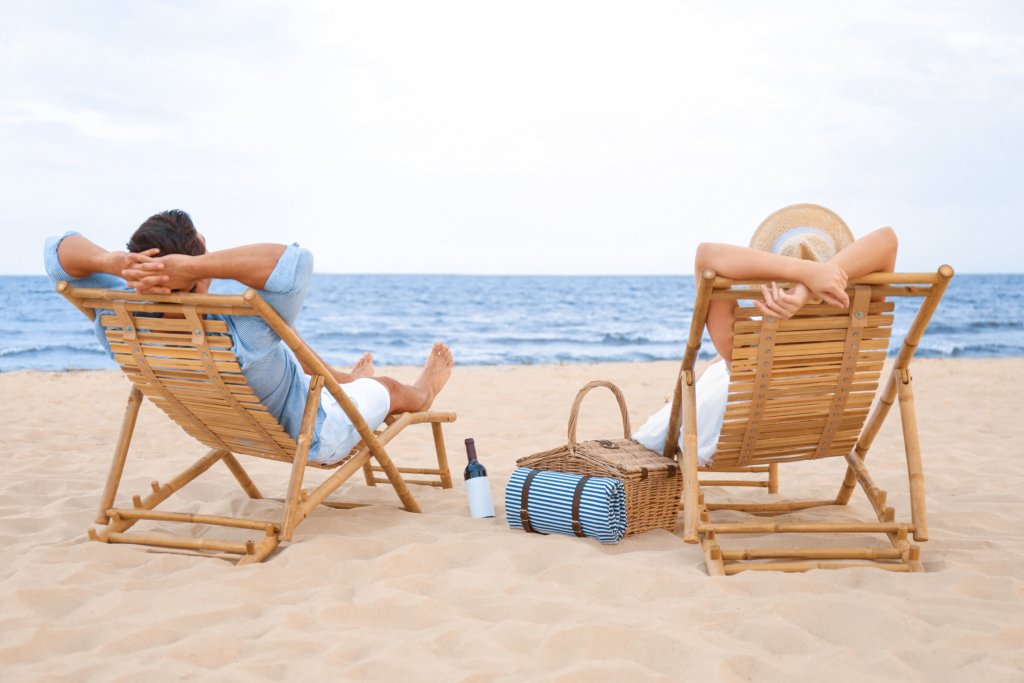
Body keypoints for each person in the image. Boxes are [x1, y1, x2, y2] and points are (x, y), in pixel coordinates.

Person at [44, 209, 454, 465]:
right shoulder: (239, 332)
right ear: (196, 260)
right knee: (387, 386)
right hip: (315, 436)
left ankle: (345, 381)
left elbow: (55, 252)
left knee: (281, 335)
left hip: (219, 426)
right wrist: (197, 263)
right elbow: (295, 263)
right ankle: (419, 391)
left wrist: (112, 263)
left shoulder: (116, 317)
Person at [633, 205, 898, 465]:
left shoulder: (745, 350)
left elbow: (706, 255)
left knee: (715, 372)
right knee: (714, 370)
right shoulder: (860, 326)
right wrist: (813, 283)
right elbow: (887, 239)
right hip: (826, 429)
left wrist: (802, 275)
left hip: (741, 434)